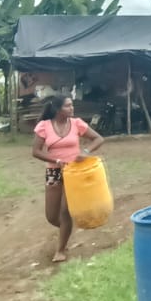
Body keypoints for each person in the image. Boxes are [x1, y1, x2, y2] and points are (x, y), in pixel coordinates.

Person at [31, 94, 103, 263]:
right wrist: (56, 160)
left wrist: (85, 152)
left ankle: (61, 250)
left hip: (75, 172)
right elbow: (36, 151)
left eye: (71, 105)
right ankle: (67, 228)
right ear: (58, 109)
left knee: (65, 211)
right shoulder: (44, 126)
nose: (72, 108)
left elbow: (99, 139)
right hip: (54, 172)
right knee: (51, 216)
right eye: (67, 106)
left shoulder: (77, 123)